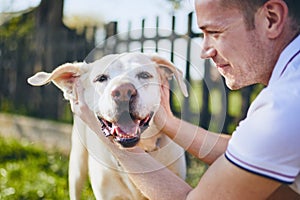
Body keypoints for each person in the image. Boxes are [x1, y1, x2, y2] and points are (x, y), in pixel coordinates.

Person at [71, 0, 300, 199]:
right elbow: (248, 152)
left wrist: (112, 137)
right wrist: (168, 122)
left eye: (215, 32)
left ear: (271, 19)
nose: (204, 50)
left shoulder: (285, 105)